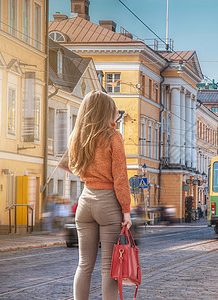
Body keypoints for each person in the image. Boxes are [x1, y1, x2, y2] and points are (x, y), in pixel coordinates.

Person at [68, 91, 132, 300]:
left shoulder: (77, 137)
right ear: (107, 112)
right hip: (107, 202)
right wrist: (126, 211)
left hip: (85, 201)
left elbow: (73, 168)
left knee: (84, 265)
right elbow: (120, 177)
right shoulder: (113, 137)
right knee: (108, 269)